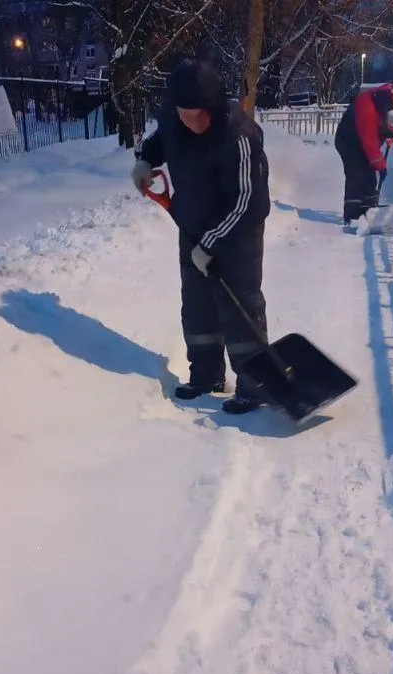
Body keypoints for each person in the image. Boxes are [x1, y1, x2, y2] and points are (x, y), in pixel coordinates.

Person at [131, 59, 272, 415]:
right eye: (181, 113)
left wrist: (211, 244)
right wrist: (145, 162)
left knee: (240, 305)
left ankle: (254, 386)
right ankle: (206, 374)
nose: (187, 121)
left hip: (238, 231)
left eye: (195, 115)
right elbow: (160, 141)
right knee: (197, 304)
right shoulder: (175, 121)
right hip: (192, 224)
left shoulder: (239, 135)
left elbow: (245, 200)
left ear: (211, 108)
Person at [334, 82, 393, 223]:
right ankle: (353, 216)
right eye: (391, 107)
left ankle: (368, 210)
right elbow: (370, 141)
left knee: (369, 175)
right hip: (348, 143)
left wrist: (389, 130)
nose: (389, 110)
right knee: (357, 175)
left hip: (358, 142)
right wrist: (381, 166)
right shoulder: (367, 108)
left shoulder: (375, 100)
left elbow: (378, 120)